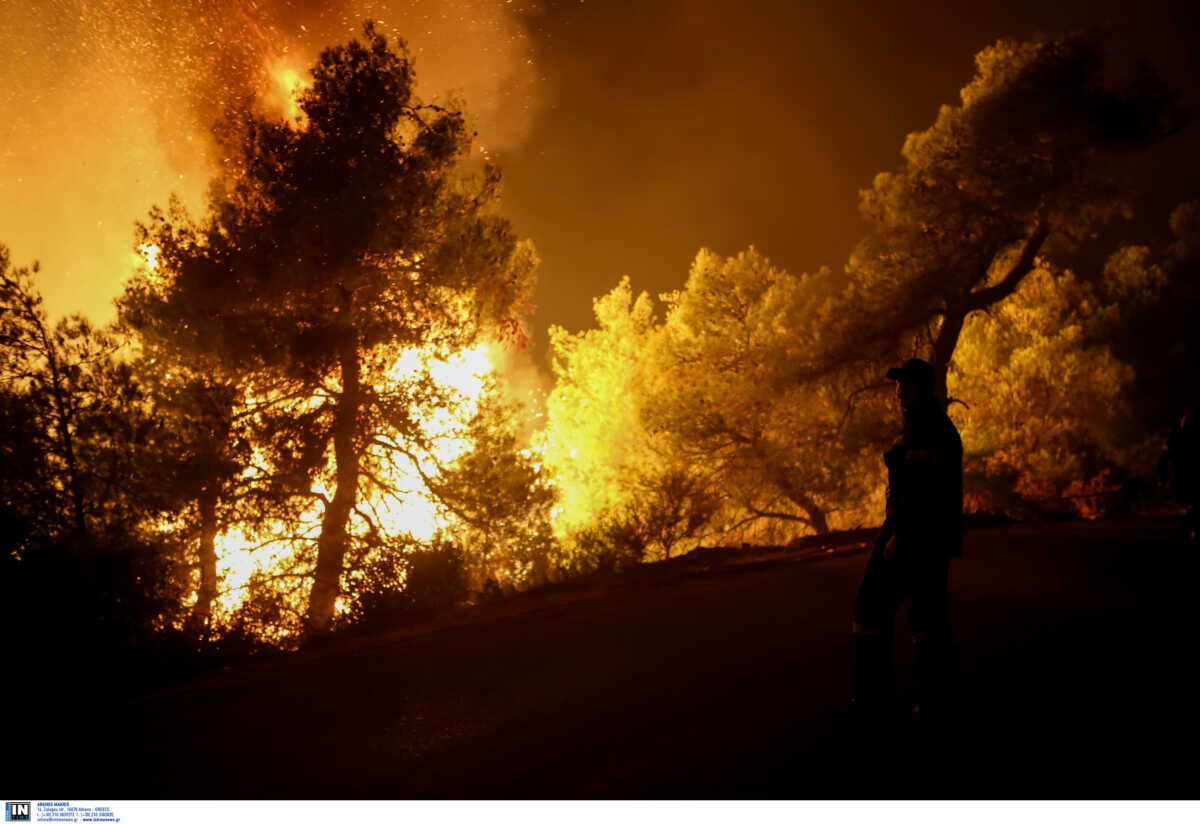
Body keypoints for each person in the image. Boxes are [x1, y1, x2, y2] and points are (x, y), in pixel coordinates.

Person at [850, 357, 963, 727]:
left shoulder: (928, 429)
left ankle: (875, 701)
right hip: (932, 538)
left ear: (924, 388)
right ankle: (936, 702)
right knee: (927, 619)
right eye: (898, 384)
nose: (898, 391)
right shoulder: (926, 425)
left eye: (906, 384)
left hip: (915, 536)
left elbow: (921, 489)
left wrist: (899, 533)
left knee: (869, 609)